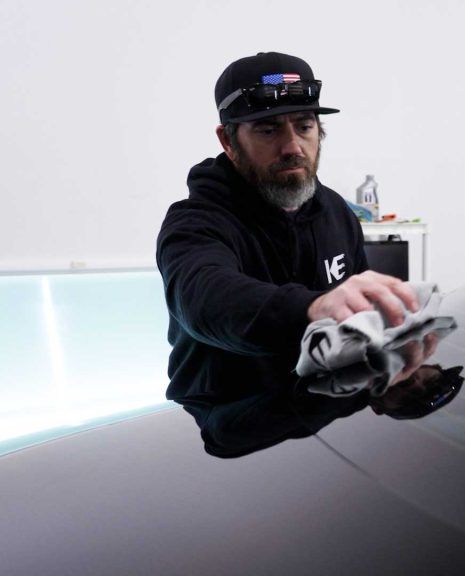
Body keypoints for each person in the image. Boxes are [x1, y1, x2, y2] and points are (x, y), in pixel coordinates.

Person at [157, 52, 418, 403]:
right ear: (228, 142)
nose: (292, 146)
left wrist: (398, 368)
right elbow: (203, 299)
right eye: (268, 129)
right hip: (228, 432)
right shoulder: (194, 222)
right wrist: (313, 309)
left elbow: (359, 323)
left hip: (322, 418)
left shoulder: (336, 212)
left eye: (304, 126)